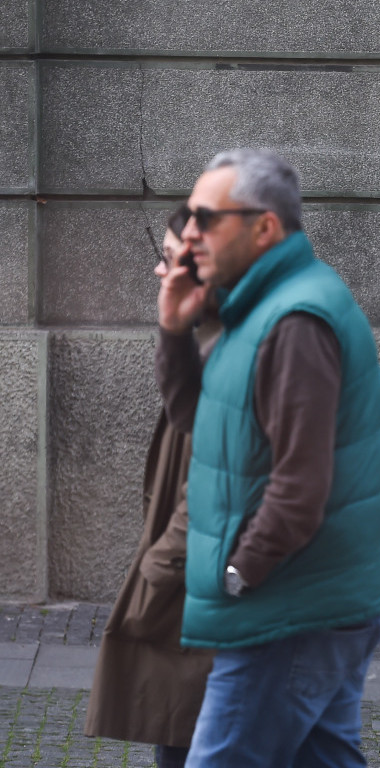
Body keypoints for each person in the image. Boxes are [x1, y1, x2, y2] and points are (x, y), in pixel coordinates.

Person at [155, 148, 380, 766]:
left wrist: (240, 575)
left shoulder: (294, 320)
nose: (189, 233)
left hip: (287, 608)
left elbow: (300, 486)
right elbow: (200, 425)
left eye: (208, 219)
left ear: (264, 227)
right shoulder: (256, 305)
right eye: (190, 217)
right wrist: (175, 329)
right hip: (315, 599)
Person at [84, 224, 218, 768]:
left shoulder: (238, 348)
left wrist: (157, 574)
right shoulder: (210, 339)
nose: (160, 270)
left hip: (203, 591)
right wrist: (173, 326)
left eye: (171, 257)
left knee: (193, 736)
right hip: (197, 588)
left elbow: (214, 483)